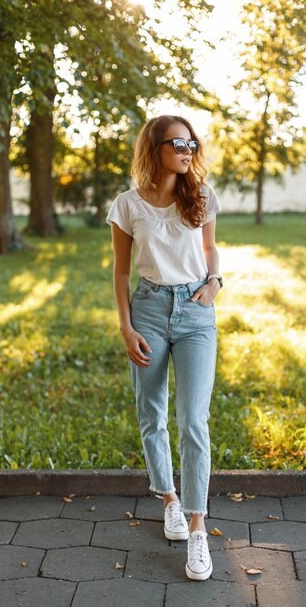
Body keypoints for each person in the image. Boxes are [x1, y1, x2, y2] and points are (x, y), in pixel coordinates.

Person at [106, 114, 222, 581]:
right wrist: (125, 326)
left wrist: (215, 281)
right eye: (178, 142)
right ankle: (169, 500)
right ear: (154, 147)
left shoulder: (202, 196)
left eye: (192, 143)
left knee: (193, 419)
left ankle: (197, 525)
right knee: (151, 413)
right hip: (149, 309)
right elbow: (119, 272)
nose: (187, 150)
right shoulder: (128, 205)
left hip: (195, 312)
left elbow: (210, 249)